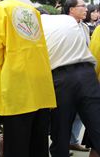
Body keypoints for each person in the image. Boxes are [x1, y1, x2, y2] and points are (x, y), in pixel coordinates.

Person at [0, 0, 56, 157]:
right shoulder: (32, 10)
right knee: (38, 148)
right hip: (41, 88)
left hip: (17, 91)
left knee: (17, 149)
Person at [41, 14, 100, 157]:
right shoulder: (67, 20)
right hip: (87, 74)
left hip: (61, 78)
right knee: (97, 125)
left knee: (60, 129)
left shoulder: (38, 26)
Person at [63, 0, 90, 152]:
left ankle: (72, 140)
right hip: (67, 74)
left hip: (83, 74)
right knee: (66, 111)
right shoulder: (62, 26)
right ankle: (60, 144)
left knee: (80, 111)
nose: (86, 9)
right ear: (71, 9)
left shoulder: (85, 27)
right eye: (82, 6)